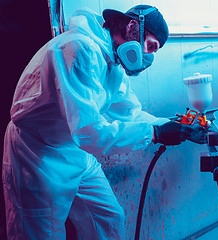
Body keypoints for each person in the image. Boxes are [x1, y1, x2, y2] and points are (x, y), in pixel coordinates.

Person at [2, 4, 206, 239]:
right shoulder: (76, 49)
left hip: (75, 151)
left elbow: (131, 113)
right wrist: (157, 134)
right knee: (42, 233)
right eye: (150, 46)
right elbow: (90, 133)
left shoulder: (112, 63)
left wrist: (173, 125)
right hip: (38, 153)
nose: (148, 57)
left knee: (109, 219)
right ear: (132, 27)